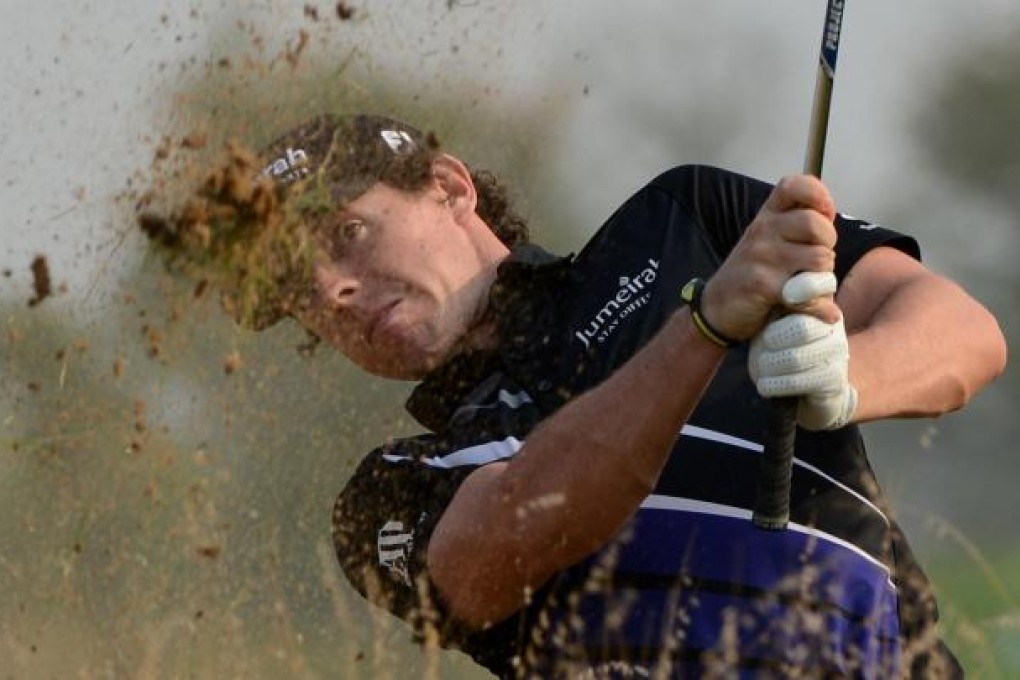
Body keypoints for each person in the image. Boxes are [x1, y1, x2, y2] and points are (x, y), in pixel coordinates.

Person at [224, 114, 1006, 677]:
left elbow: (966, 334)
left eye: (346, 235)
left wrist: (842, 377)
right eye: (298, 287)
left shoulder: (683, 222)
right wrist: (703, 330)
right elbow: (494, 552)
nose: (335, 289)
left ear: (448, 186)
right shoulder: (389, 489)